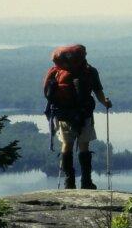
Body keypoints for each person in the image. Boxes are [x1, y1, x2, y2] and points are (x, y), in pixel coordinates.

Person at [43, 44, 112, 189]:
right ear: (83, 56)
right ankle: (86, 181)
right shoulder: (90, 71)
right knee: (84, 146)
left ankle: (69, 181)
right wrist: (105, 102)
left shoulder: (58, 71)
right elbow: (98, 91)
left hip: (63, 115)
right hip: (84, 114)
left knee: (66, 145)